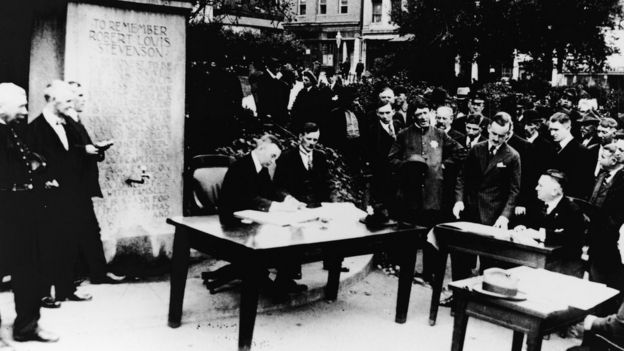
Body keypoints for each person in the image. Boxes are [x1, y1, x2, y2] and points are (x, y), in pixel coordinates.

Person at [0, 82, 59, 343]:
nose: (26, 111)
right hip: (5, 212)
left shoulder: (12, 131)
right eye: (21, 105)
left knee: (28, 272)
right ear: (2, 107)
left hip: (22, 213)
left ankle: (27, 327)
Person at [28, 80, 93, 307]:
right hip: (47, 198)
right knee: (46, 244)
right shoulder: (34, 129)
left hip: (71, 195)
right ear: (51, 100)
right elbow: (30, 164)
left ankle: (66, 288)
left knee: (69, 241)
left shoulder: (69, 125)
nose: (71, 104)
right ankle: (44, 292)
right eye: (67, 101)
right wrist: (45, 181)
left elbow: (72, 155)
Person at [218, 134, 307, 293]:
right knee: (279, 232)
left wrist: (288, 199)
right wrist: (278, 207)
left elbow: (270, 191)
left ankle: (283, 280)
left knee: (291, 229)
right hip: (233, 221)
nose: (273, 161)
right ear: (261, 148)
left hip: (252, 218)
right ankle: (265, 279)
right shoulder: (240, 167)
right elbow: (248, 199)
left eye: (275, 158)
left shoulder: (261, 167)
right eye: (272, 156)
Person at [65, 81, 124, 285]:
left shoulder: (76, 121)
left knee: (88, 230)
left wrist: (96, 149)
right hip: (73, 187)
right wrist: (86, 150)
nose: (83, 99)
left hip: (80, 186)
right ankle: (81, 275)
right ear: (68, 98)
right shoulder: (64, 122)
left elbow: (79, 149)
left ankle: (94, 273)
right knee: (83, 230)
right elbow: (62, 153)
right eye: (79, 95)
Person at [452, 112, 521, 279]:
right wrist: (459, 201)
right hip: (470, 211)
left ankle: (481, 299)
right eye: (494, 134)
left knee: (489, 264)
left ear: (508, 134)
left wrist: (505, 216)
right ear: (488, 129)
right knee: (462, 257)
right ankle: (458, 296)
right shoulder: (477, 149)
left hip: (493, 216)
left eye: (501, 136)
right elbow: (462, 177)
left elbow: (514, 190)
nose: (496, 139)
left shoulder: (512, 156)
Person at [514, 169, 585, 277]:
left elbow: (571, 239)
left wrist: (540, 234)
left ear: (554, 191)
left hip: (562, 268)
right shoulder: (537, 204)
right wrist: (522, 227)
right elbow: (529, 223)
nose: (536, 188)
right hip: (536, 260)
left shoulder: (572, 210)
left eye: (540, 185)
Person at [587, 143, 624, 292]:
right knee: (594, 279)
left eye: (621, 150)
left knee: (609, 283)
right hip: (593, 234)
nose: (617, 153)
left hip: (611, 238)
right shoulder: (602, 175)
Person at [274, 122, 330, 206]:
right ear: (301, 137)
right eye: (309, 139)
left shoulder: (320, 157)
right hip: (296, 207)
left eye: (315, 140)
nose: (312, 143)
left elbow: (327, 183)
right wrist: (290, 200)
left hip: (319, 206)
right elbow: (278, 186)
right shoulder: (286, 157)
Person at [549, 112, 594, 199]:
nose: (552, 133)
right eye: (550, 129)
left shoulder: (582, 152)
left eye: (556, 130)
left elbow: (583, 186)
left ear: (568, 128)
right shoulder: (552, 147)